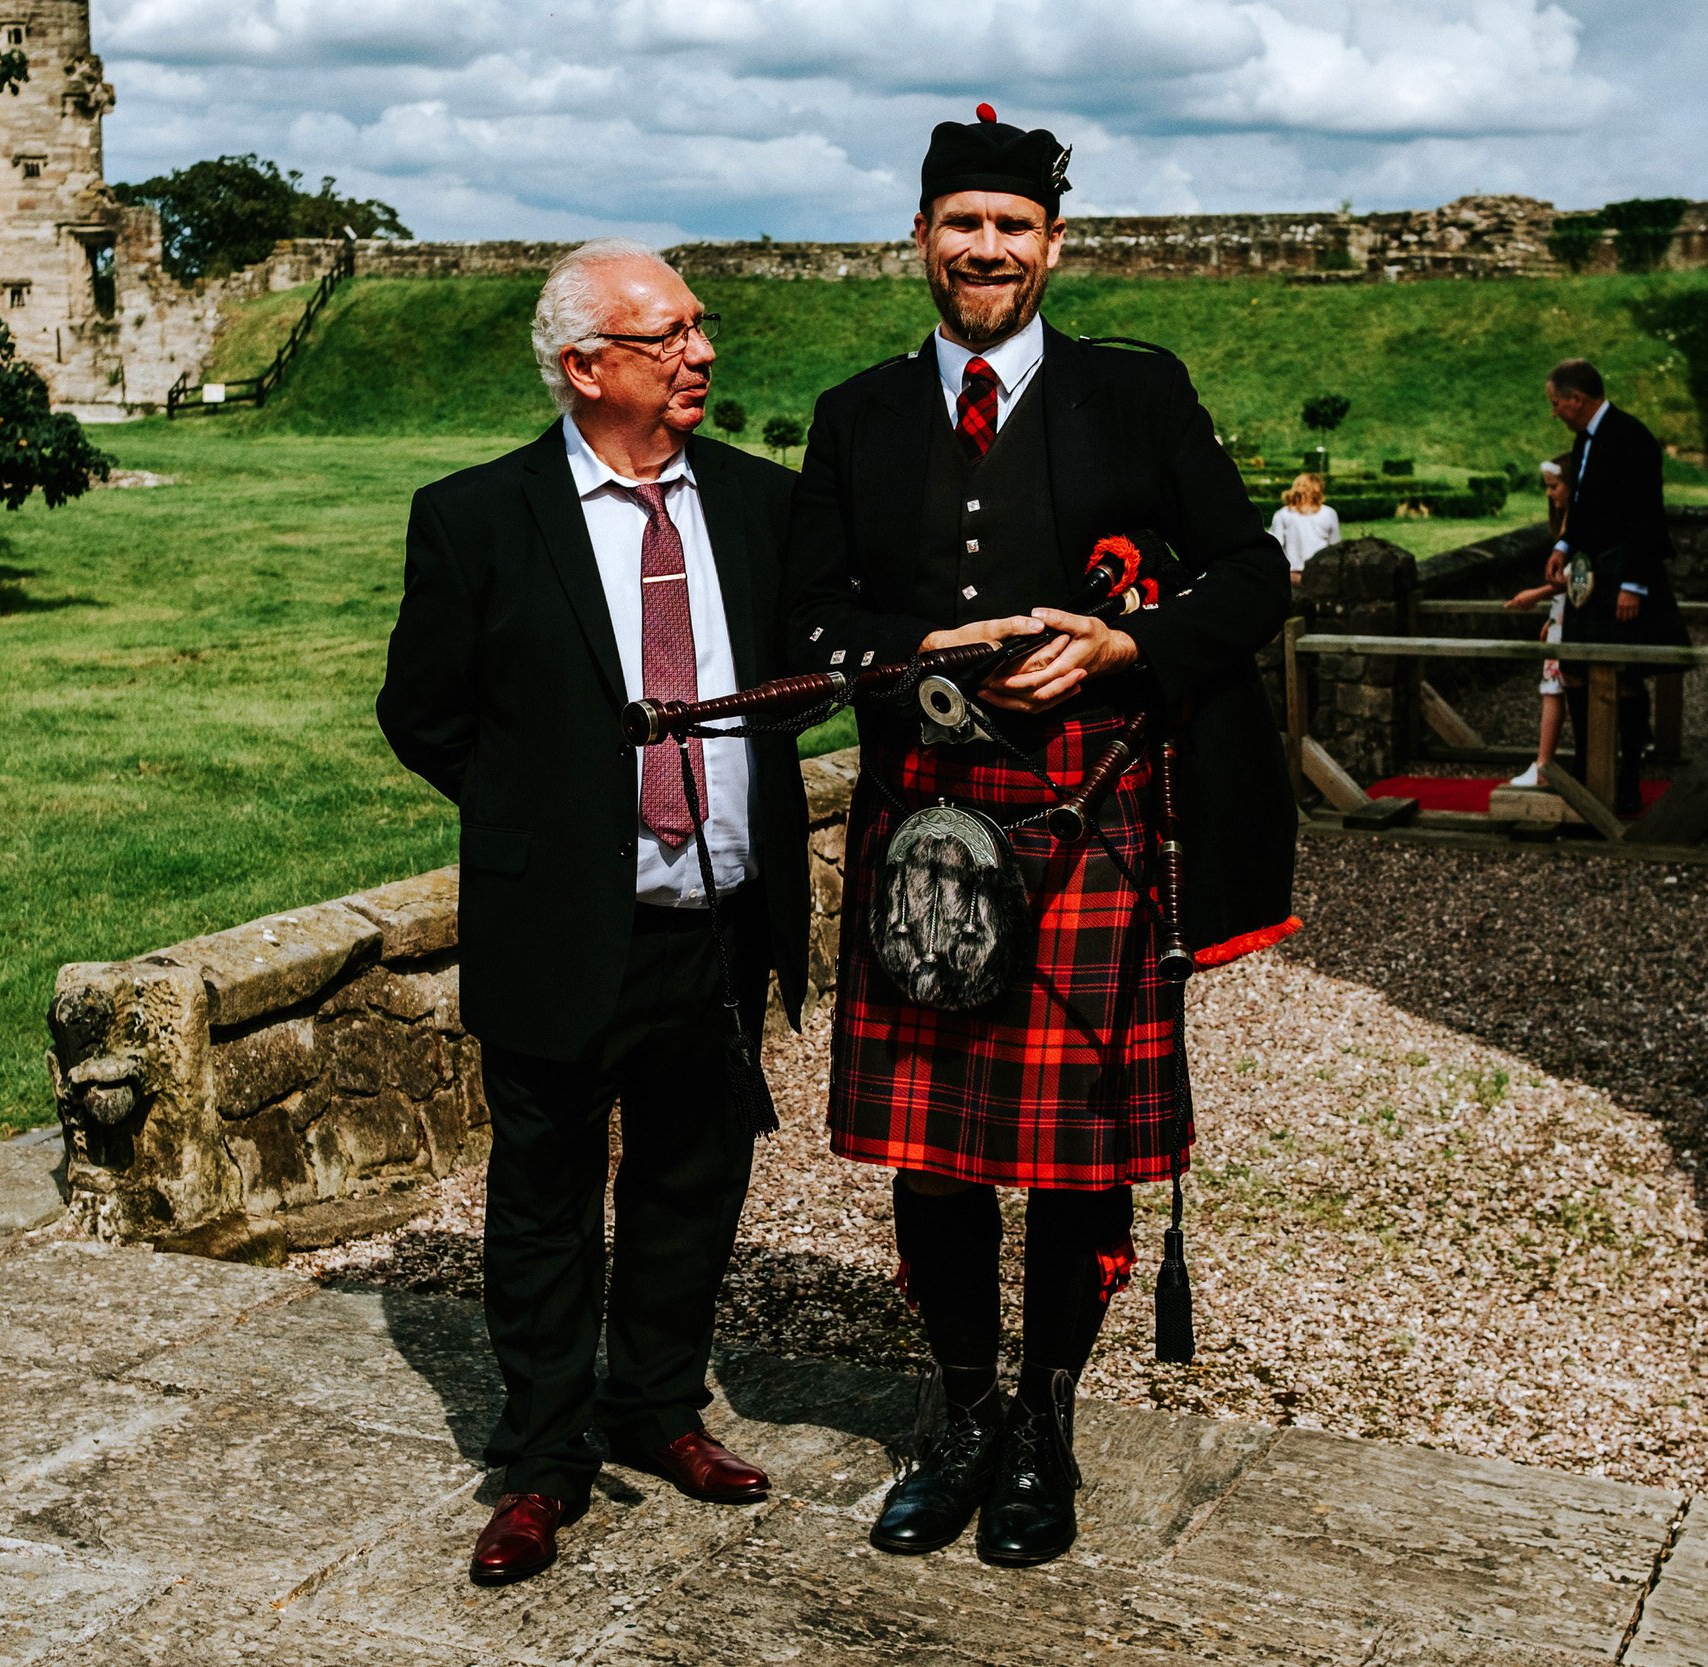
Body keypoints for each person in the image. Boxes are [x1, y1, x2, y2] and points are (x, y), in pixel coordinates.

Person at [784, 104, 1295, 1569]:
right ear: (921, 241)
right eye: (962, 224)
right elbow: (808, 619)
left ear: (1053, 245)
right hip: (925, 823)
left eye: (1012, 227)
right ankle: (958, 1416)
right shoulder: (856, 414)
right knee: (935, 1152)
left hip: (1091, 815)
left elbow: (1255, 569)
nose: (986, 249)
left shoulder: (1137, 394)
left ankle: (1046, 1424)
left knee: (1073, 1158)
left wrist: (1129, 645)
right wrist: (918, 643)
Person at [378, 240, 810, 1588]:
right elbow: (425, 712)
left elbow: (805, 678)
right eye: (670, 334)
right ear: (585, 366)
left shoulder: (756, 504)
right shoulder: (475, 517)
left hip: (722, 917)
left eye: (702, 325)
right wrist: (547, 821)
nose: (703, 353)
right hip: (566, 920)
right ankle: (543, 1457)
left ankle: (658, 1405)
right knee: (547, 1196)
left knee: (694, 1174)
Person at [1544, 358, 1689, 815]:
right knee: (1576, 669)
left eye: (1556, 403)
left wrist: (1633, 583)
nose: (1554, 412)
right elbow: (1586, 507)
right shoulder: (1583, 440)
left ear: (1577, 399)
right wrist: (1565, 544)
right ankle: (1591, 769)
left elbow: (1646, 514)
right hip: (1593, 572)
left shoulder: (1632, 437)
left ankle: (1626, 781)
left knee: (1624, 677)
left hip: (1624, 573)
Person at [1503, 453, 1576, 788]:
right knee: (1553, 689)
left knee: (1554, 690)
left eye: (1554, 486)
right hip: (1563, 616)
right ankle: (1544, 762)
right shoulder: (1566, 524)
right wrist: (1552, 616)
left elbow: (1577, 576)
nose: (1550, 493)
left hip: (1571, 618)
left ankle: (1544, 763)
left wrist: (1537, 594)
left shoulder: (1579, 526)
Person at [1269, 472, 1340, 583]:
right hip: (1321, 571)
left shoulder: (1283, 514)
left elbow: (1274, 546)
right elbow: (1335, 546)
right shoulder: (1329, 513)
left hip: (1293, 573)